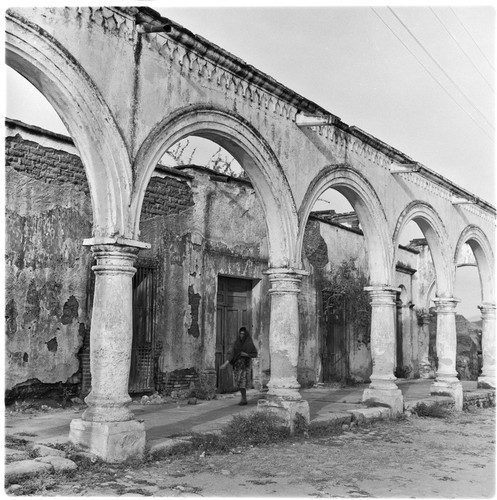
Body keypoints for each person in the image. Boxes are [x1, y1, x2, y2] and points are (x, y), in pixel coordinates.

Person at [220, 326, 258, 405]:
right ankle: (243, 397)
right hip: (238, 367)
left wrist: (246, 354)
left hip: (245, 366)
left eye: (243, 334)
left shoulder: (249, 343)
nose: (241, 335)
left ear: (246, 335)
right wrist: (225, 364)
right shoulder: (237, 343)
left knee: (243, 382)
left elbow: (254, 354)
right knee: (239, 382)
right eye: (240, 334)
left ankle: (244, 399)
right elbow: (232, 355)